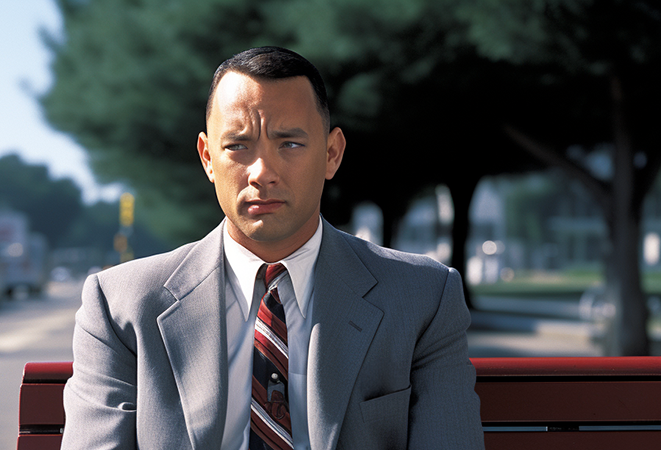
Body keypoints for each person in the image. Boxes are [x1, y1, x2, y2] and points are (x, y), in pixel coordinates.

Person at [61, 46, 484, 450]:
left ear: (332, 154)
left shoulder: (422, 298)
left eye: (290, 143)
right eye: (238, 146)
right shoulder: (120, 306)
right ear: (208, 158)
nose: (262, 172)